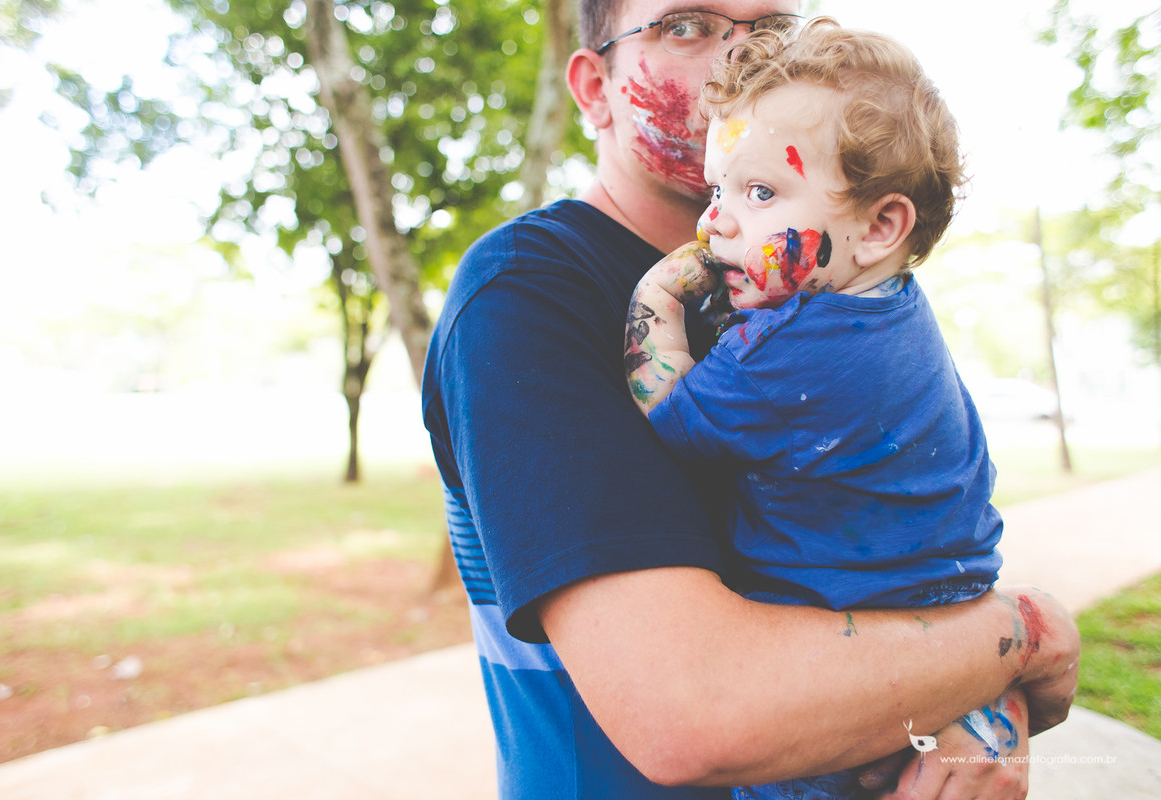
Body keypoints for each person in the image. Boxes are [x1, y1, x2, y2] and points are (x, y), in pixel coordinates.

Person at [421, 2, 1080, 798]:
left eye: (771, 24)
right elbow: (694, 712)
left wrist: (978, 703)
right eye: (688, 25)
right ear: (595, 88)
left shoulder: (811, 291)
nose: (744, 55)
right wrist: (1028, 637)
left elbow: (911, 558)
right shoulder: (525, 292)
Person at [624, 18, 1027, 800]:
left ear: (881, 226)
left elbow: (668, 412)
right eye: (719, 189)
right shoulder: (895, 308)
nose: (715, 224)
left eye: (762, 191)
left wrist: (657, 297)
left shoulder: (789, 349)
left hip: (841, 689)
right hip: (948, 633)